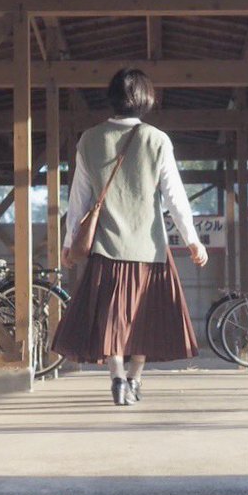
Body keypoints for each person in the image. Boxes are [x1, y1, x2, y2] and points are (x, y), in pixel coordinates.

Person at [51, 68, 208, 406]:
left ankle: (117, 377)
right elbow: (175, 197)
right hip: (149, 250)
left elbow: (77, 199)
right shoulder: (157, 140)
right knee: (147, 319)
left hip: (105, 249)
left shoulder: (89, 139)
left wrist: (68, 243)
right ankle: (135, 378)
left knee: (111, 320)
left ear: (112, 98)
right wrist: (192, 239)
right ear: (145, 99)